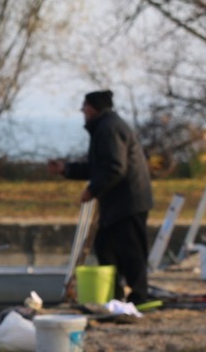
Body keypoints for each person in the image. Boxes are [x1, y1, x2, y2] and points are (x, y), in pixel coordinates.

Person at [47, 89, 154, 302]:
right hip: (121, 202)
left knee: (130, 250)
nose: (82, 110)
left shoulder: (109, 129)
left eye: (85, 106)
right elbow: (98, 167)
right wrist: (67, 169)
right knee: (107, 248)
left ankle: (139, 297)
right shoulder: (106, 127)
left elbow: (115, 167)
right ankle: (116, 295)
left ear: (94, 108)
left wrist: (92, 190)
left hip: (128, 202)